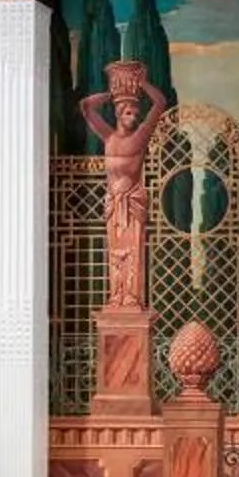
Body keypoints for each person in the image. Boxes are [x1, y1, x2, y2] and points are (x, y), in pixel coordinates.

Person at [81, 61, 170, 309]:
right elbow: (86, 108)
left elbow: (160, 103)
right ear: (119, 114)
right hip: (113, 203)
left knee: (134, 252)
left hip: (131, 202)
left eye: (135, 112)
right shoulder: (108, 137)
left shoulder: (141, 136)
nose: (134, 116)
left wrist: (141, 85)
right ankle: (116, 296)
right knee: (116, 252)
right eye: (128, 112)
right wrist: (112, 93)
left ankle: (131, 296)